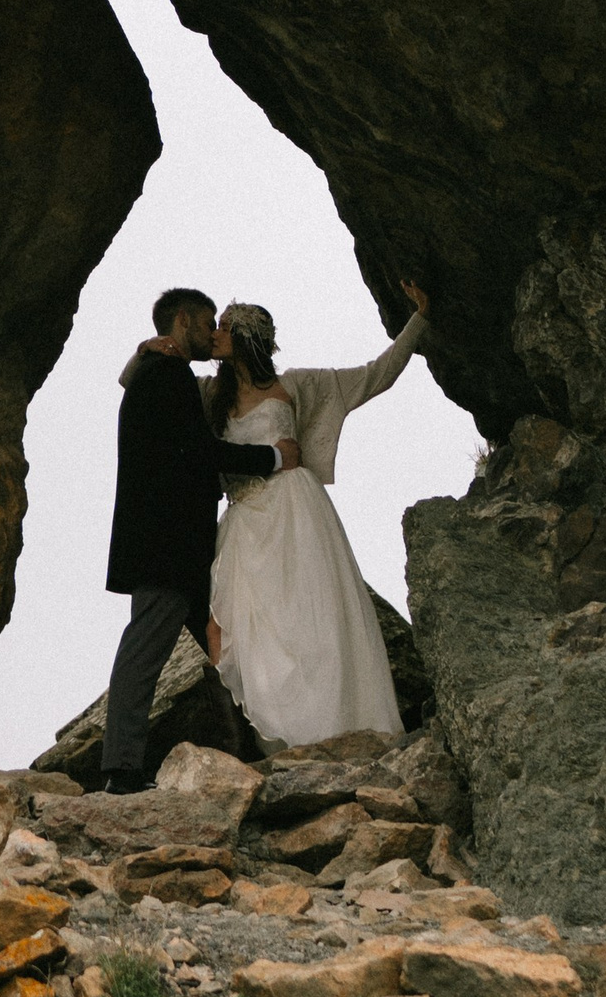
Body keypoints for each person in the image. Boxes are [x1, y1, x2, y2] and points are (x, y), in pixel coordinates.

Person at [205, 279, 430, 750]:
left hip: (295, 512)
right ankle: (286, 739)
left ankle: (337, 729)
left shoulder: (299, 386)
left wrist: (420, 319)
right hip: (246, 521)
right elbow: (135, 382)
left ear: (246, 336)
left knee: (313, 622)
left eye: (223, 327)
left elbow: (377, 374)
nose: (214, 334)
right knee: (250, 634)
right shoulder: (210, 394)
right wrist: (151, 347)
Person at [96, 285, 299, 793]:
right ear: (183, 321)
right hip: (167, 547)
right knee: (144, 654)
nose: (213, 335)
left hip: (185, 548)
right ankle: (121, 772)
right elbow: (199, 451)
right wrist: (273, 458)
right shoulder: (165, 373)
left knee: (227, 644)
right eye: (208, 323)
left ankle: (252, 751)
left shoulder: (162, 371)